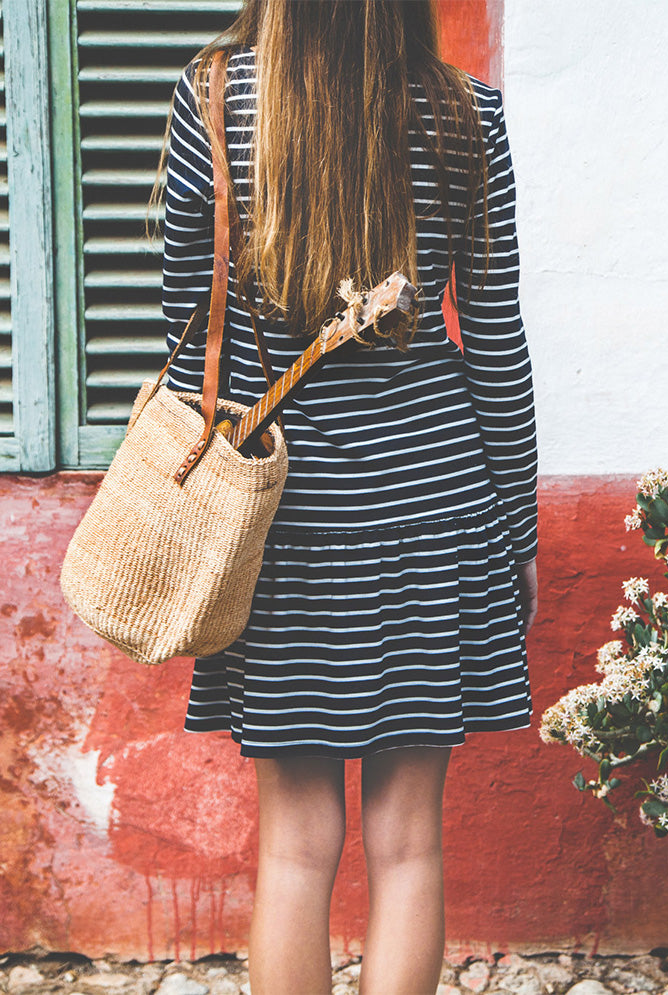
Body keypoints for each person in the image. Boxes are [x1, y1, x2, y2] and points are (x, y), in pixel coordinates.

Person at [156, 2, 538, 992]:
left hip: (282, 525)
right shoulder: (465, 115)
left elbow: (185, 333)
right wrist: (520, 532)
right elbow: (493, 340)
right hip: (438, 510)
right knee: (408, 841)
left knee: (293, 843)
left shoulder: (210, 98)